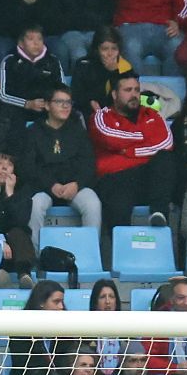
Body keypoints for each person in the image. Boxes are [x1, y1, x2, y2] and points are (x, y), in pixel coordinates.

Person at [88, 71, 174, 231]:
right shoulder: (101, 117)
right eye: (128, 90)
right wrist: (145, 139)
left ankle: (159, 214)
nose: (134, 94)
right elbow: (110, 139)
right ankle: (121, 251)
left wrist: (127, 151)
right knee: (118, 199)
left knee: (165, 158)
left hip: (146, 179)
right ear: (114, 94)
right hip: (115, 179)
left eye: (136, 90)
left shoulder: (153, 115)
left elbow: (166, 143)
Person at [20, 87, 102, 247]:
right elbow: (27, 167)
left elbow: (88, 164)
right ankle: (35, 259)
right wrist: (51, 185)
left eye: (68, 102)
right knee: (35, 204)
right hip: (43, 188)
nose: (65, 106)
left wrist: (77, 184)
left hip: (74, 187)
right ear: (47, 106)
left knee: (92, 202)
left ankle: (90, 256)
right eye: (59, 102)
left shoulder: (78, 131)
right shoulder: (33, 132)